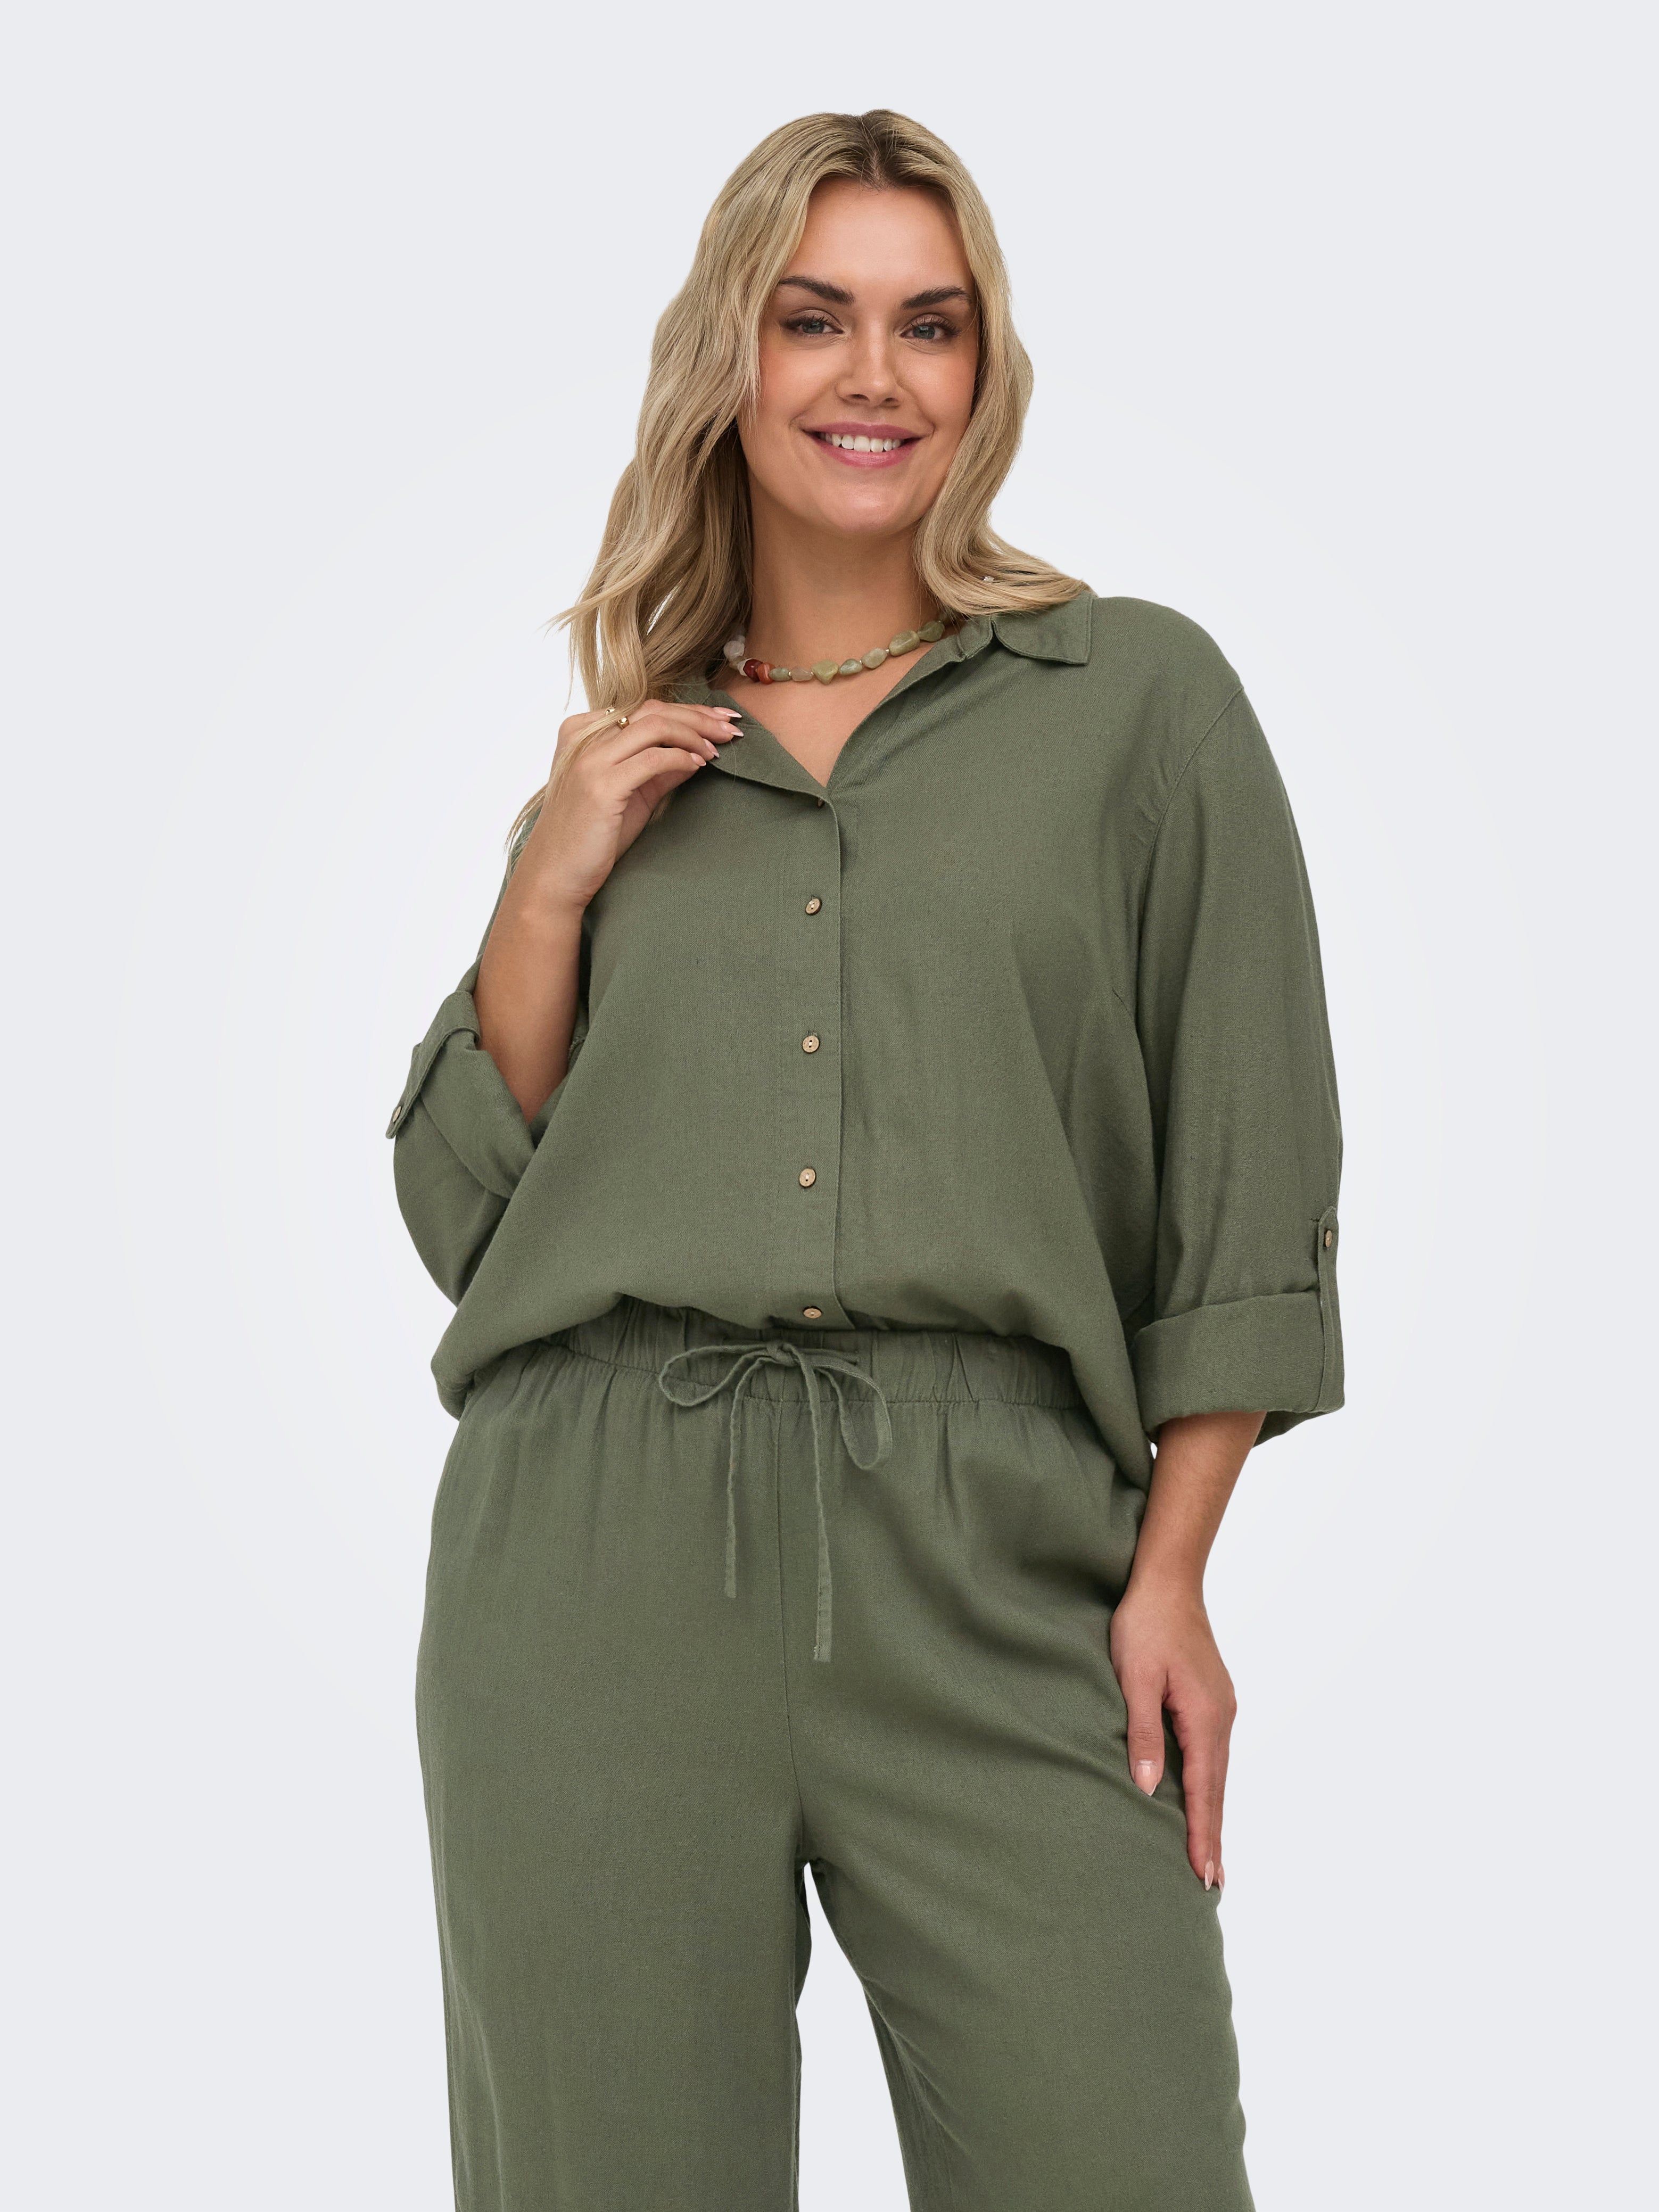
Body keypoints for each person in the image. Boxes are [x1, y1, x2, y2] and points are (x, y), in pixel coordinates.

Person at [387, 107, 1343, 2212]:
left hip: (1003, 1552)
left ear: (986, 368)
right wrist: (549, 885)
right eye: (814, 318)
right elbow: (473, 1214)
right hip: (595, 1544)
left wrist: (1175, 1571)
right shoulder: (627, 763)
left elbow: (1245, 1160)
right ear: (729, 359)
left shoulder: (1137, 700)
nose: (875, 374)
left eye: (932, 322)